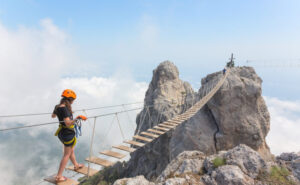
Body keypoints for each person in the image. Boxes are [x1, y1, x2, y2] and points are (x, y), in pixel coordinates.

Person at [52, 89, 87, 183]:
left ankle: (76, 165)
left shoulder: (58, 107)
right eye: (73, 100)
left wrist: (64, 114)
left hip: (61, 133)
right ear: (70, 99)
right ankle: (59, 176)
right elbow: (68, 123)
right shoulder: (65, 109)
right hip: (68, 133)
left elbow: (53, 116)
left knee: (71, 150)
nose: (73, 102)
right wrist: (77, 118)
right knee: (66, 154)